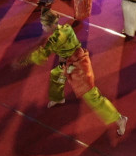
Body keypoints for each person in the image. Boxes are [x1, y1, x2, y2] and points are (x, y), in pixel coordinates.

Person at [16, 8, 127, 136]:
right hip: (72, 61)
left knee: (92, 96)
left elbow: (41, 55)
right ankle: (58, 98)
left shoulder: (54, 40)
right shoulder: (66, 28)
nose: (42, 27)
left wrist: (26, 59)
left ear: (51, 25)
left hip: (78, 67)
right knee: (56, 74)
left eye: (44, 25)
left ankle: (119, 119)